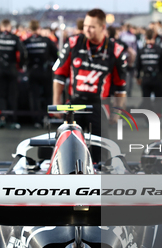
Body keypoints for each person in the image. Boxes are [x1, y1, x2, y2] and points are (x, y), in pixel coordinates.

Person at [52, 8, 127, 161]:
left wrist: (117, 112)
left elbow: (120, 87)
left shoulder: (116, 50)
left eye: (92, 26)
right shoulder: (73, 43)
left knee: (100, 154)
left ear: (103, 27)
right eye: (86, 25)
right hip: (74, 104)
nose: (87, 29)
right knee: (67, 153)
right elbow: (59, 76)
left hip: (99, 106)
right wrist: (56, 101)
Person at [0, 19, 26, 129]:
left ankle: (2, 118)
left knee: (1, 95)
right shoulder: (15, 38)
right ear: (10, 27)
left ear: (1, 27)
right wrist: (20, 65)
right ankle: (13, 120)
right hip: (11, 69)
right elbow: (23, 52)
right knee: (12, 95)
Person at [24, 19, 57, 128]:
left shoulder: (26, 42)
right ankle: (47, 117)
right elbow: (56, 55)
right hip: (46, 71)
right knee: (48, 95)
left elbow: (22, 58)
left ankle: (36, 120)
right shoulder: (47, 40)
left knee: (34, 96)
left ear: (29, 29)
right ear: (39, 28)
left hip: (32, 72)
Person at [135, 28, 162, 114]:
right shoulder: (159, 49)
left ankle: (148, 119)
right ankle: (158, 116)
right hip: (157, 78)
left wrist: (138, 77)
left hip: (146, 78)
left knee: (146, 100)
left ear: (145, 38)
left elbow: (137, 65)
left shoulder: (141, 50)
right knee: (159, 100)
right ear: (154, 37)